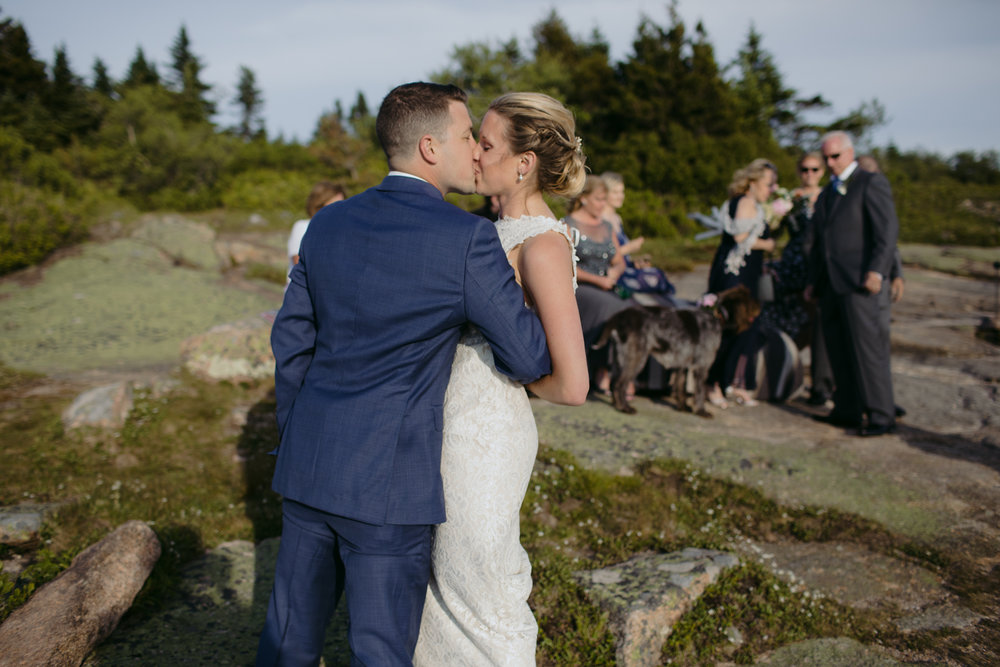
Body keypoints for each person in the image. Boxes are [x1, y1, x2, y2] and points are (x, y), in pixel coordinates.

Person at [257, 82, 553, 666]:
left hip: (309, 466)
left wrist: (298, 433)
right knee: (381, 652)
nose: (475, 149)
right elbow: (528, 359)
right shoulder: (465, 239)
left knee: (288, 640)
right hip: (389, 489)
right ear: (428, 146)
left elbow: (291, 340)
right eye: (467, 135)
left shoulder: (328, 224)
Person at [413, 91, 589, 666]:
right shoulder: (473, 232)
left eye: (484, 143)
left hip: (484, 442)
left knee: (481, 583)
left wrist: (501, 380)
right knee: (438, 585)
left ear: (523, 163)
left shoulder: (541, 246)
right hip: (436, 430)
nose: (473, 152)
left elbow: (573, 384)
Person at [805, 131, 900, 437]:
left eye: (836, 156)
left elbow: (886, 233)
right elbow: (821, 243)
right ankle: (846, 410)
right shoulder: (828, 194)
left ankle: (881, 415)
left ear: (850, 153)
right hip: (831, 283)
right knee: (838, 348)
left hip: (861, 281)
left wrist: (877, 271)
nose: (831, 163)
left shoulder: (870, 183)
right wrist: (813, 281)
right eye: (827, 158)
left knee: (867, 350)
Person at [706, 159, 779, 406]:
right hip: (735, 276)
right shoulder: (746, 202)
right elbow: (740, 237)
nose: (772, 189)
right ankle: (713, 383)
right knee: (731, 327)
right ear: (754, 181)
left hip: (743, 273)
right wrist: (768, 244)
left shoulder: (746, 203)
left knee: (745, 328)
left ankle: (731, 382)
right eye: (769, 183)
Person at [563, 175, 632, 393]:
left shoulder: (606, 226)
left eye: (605, 200)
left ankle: (627, 373)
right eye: (599, 199)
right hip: (580, 286)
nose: (603, 205)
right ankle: (601, 369)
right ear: (584, 198)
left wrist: (615, 272)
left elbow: (618, 260)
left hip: (607, 285)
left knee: (638, 310)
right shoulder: (568, 225)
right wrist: (597, 280)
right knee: (612, 308)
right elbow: (565, 265)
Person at [601, 171, 677, 303]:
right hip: (615, 273)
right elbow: (604, 255)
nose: (621, 196)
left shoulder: (617, 218)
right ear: (604, 193)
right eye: (615, 192)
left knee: (656, 273)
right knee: (655, 277)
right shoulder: (601, 220)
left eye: (622, 192)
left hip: (626, 267)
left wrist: (635, 262)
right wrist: (630, 248)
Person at [285, 181, 346, 281]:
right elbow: (299, 262)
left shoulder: (340, 230)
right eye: (335, 204)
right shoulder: (302, 226)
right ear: (319, 204)